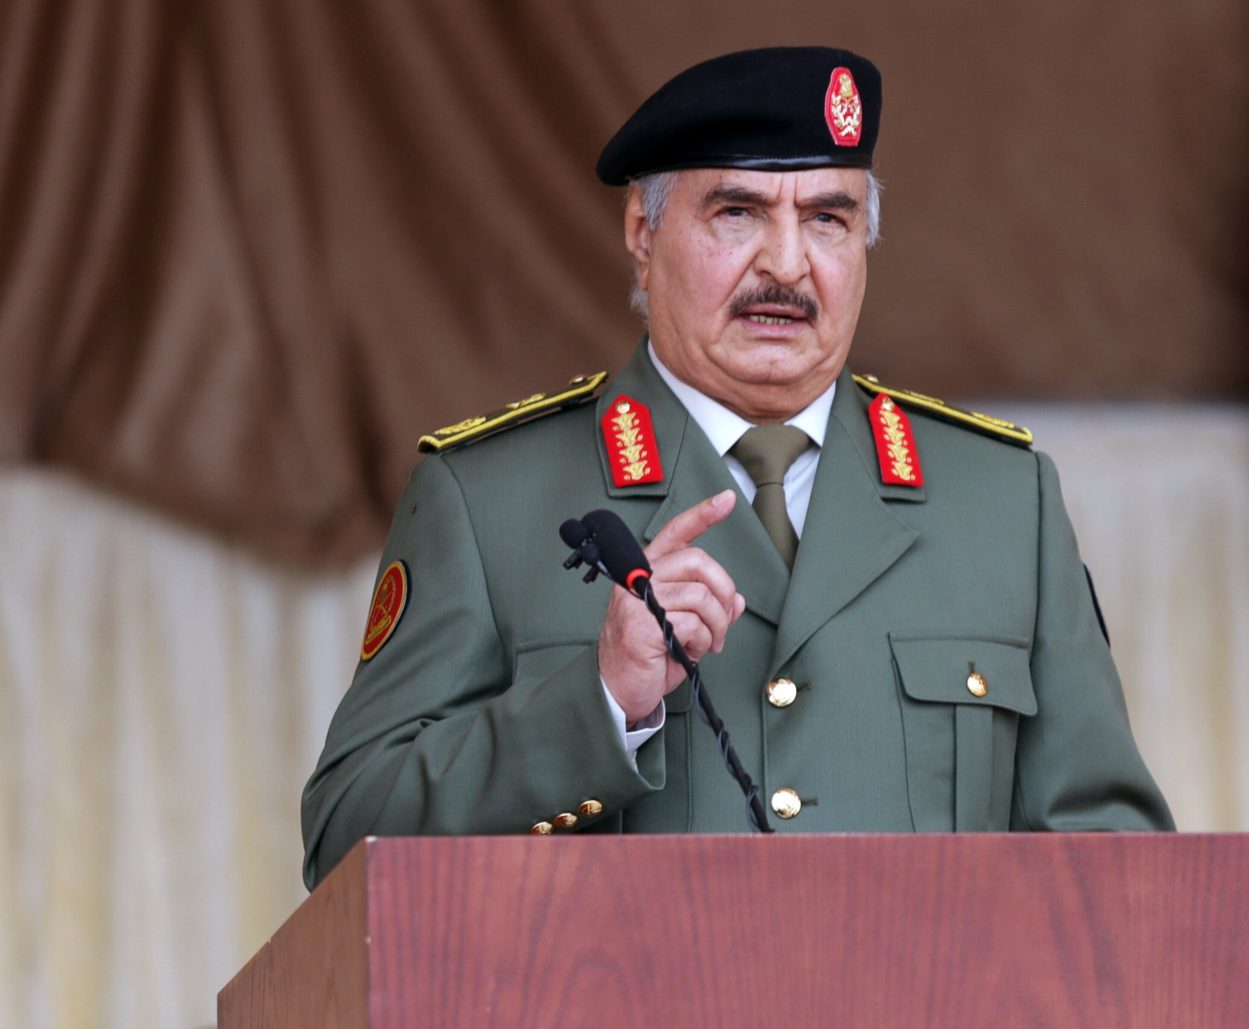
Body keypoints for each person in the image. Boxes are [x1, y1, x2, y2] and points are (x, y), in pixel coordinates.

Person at [301, 46, 1172, 889]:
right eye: (738, 213)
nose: (787, 265)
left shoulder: (1002, 502)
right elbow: (347, 839)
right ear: (643, 233)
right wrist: (599, 702)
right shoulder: (487, 499)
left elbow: (1118, 871)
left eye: (827, 219)